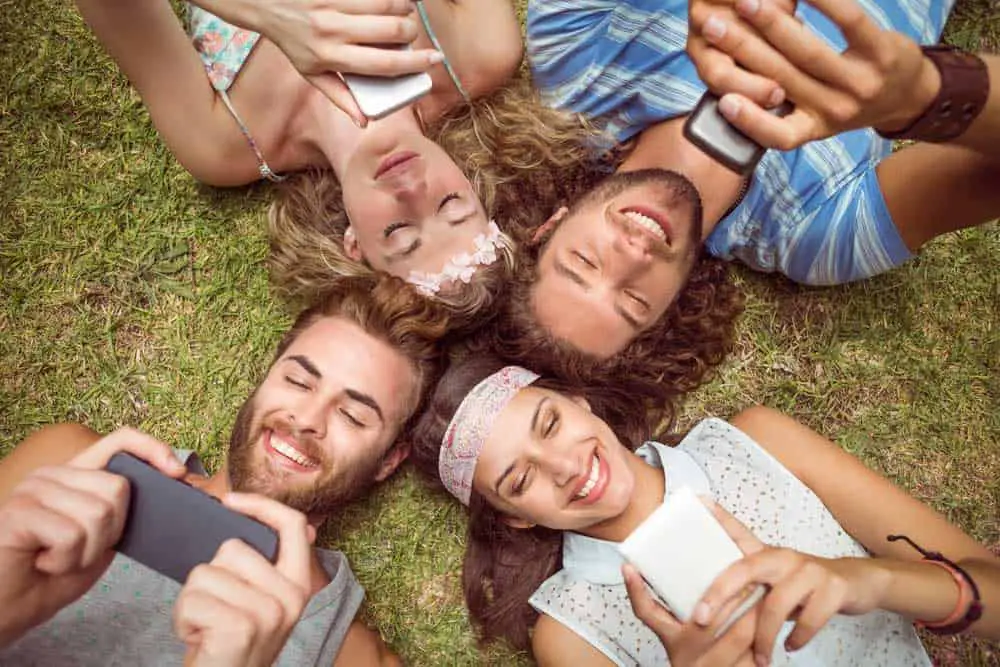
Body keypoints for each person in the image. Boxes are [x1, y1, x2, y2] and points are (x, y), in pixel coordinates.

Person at [410, 357, 1000, 666]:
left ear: (579, 402)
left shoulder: (759, 443)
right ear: (518, 519)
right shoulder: (571, 636)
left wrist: (871, 579)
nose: (562, 466)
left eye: (550, 424)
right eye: (521, 479)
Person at [511, 0, 1000, 360]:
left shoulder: (577, 61)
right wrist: (925, 97)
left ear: (551, 225)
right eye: (634, 301)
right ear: (670, 307)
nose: (633, 255)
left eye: (583, 262)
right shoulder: (816, 233)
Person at [0, 275, 449, 665]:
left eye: (353, 415)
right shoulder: (70, 466)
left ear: (388, 461)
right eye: (297, 381)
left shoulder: (346, 655)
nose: (308, 418)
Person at [73, 0, 592, 325]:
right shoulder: (481, 51)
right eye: (452, 205)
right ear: (473, 184)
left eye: (400, 234)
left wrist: (264, 13)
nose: (413, 191)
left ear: (354, 245)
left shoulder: (225, 146)